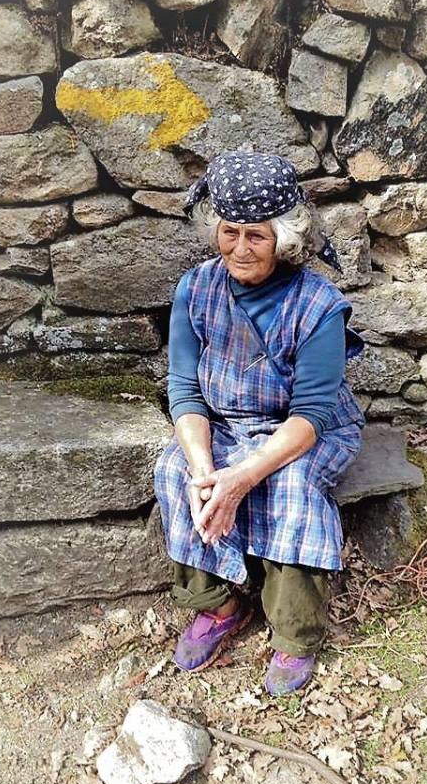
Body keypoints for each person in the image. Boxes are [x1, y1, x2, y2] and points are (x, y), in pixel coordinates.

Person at [153, 150, 365, 696]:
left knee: (288, 485)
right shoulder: (195, 289)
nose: (240, 249)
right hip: (224, 423)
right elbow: (185, 390)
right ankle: (219, 604)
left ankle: (295, 632)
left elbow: (312, 414)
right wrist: (207, 470)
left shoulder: (318, 304)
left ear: (285, 238)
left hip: (304, 430)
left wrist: (243, 476)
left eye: (258, 236)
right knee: (177, 472)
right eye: (231, 232)